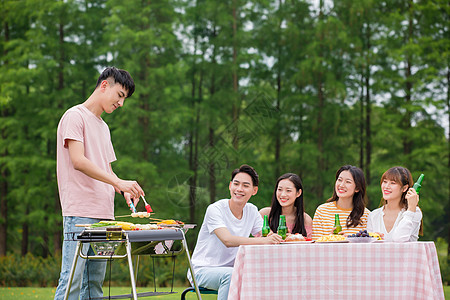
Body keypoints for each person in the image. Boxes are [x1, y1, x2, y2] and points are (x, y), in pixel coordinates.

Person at [54, 67, 145, 300]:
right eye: (120, 95)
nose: (121, 103)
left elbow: (106, 168)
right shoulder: (74, 116)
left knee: (94, 285)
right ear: (105, 85)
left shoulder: (104, 127)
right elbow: (78, 161)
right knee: (72, 281)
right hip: (80, 213)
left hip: (105, 215)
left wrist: (121, 189)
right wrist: (118, 181)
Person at [187, 164, 282, 300]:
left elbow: (267, 235)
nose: (239, 189)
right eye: (236, 184)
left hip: (235, 270)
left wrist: (275, 237)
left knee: (263, 275)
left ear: (254, 190)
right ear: (230, 185)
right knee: (231, 275)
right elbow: (228, 240)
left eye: (245, 185)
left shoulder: (252, 210)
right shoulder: (215, 209)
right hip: (202, 270)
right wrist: (264, 240)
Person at [312, 165, 370, 240]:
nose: (341, 185)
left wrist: (349, 240)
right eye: (339, 180)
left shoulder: (366, 215)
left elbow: (368, 245)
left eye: (348, 182)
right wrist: (331, 238)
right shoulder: (322, 211)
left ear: (357, 188)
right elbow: (315, 244)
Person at [367, 166, 422, 242]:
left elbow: (399, 239)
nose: (386, 186)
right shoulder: (373, 215)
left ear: (404, 188)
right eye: (385, 182)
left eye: (393, 183)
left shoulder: (414, 212)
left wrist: (411, 208)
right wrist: (373, 239)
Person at [259, 173, 313, 238]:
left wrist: (293, 238)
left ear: (298, 193)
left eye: (288, 191)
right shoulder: (265, 214)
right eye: (279, 189)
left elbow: (309, 244)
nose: (283, 194)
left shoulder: (305, 219)